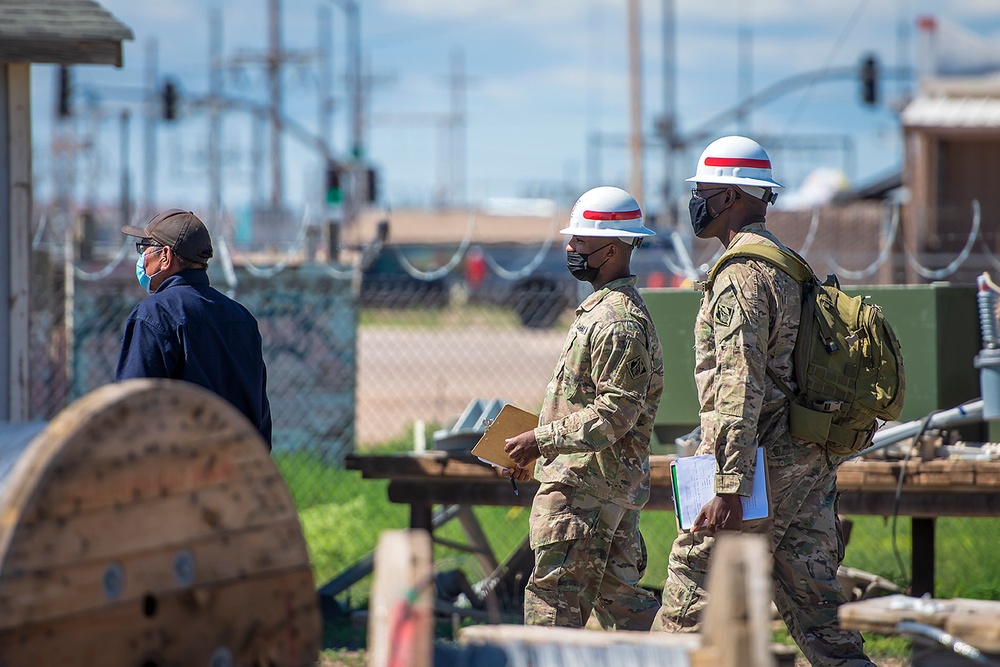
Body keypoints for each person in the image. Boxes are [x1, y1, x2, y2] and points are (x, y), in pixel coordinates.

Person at [654, 136, 874, 666]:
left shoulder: (739, 277)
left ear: (730, 196)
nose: (696, 201)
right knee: (821, 619)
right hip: (805, 459)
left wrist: (729, 485)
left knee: (689, 599)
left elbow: (739, 384)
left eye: (704, 189)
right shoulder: (786, 266)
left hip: (757, 472)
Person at [503, 186, 663, 630]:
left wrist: (539, 440)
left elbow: (614, 413)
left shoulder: (617, 322)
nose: (569, 248)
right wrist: (535, 454)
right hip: (594, 484)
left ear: (610, 249)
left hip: (585, 493)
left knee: (552, 611)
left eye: (580, 241)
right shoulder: (602, 313)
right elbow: (579, 401)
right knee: (624, 607)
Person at [116, 209, 273, 450]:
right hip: (241, 472)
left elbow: (132, 409)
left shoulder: (154, 314)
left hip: (179, 476)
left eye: (145, 248)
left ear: (166, 256)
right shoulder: (243, 319)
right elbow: (260, 413)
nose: (142, 257)